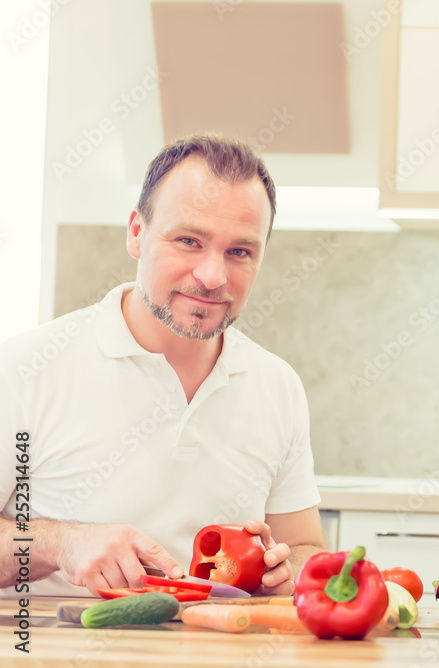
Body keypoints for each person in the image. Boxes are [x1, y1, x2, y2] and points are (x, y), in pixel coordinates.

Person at [0, 134, 325, 597]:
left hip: (218, 639)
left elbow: (305, 547)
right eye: (189, 240)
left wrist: (285, 568)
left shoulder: (278, 386)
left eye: (240, 251)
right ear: (137, 232)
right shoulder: (25, 368)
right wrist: (59, 543)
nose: (212, 276)